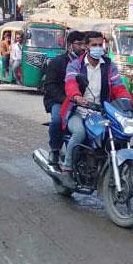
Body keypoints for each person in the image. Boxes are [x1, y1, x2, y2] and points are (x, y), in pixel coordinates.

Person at [60, 31, 132, 186]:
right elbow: (70, 83)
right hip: (77, 111)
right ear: (86, 47)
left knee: (118, 134)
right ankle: (66, 169)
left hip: (102, 113)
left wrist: (128, 101)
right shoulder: (76, 65)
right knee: (79, 133)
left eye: (100, 45)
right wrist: (77, 96)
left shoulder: (109, 66)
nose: (98, 48)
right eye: (94, 45)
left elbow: (119, 87)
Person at [43, 31, 85, 166]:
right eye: (79, 44)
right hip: (59, 100)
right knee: (57, 120)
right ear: (70, 45)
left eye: (84, 44)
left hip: (83, 102)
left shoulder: (87, 63)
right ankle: (55, 150)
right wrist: (66, 99)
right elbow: (49, 86)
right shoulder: (57, 62)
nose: (82, 47)